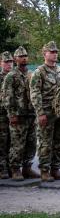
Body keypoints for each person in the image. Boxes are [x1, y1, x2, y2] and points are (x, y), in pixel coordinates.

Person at [30, 41, 60, 182]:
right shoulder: (39, 72)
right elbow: (35, 94)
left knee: (59, 141)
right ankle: (44, 171)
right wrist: (40, 113)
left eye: (56, 52)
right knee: (46, 143)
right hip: (46, 112)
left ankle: (55, 168)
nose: (55, 54)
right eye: (52, 52)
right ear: (44, 54)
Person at [3, 47, 38, 181]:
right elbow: (7, 97)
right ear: (16, 59)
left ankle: (27, 168)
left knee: (31, 143)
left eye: (25, 56)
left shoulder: (31, 74)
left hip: (30, 114)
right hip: (18, 115)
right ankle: (15, 169)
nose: (24, 58)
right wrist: (12, 114)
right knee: (17, 144)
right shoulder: (11, 76)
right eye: (21, 56)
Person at [0, 51, 13, 179]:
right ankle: (2, 168)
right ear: (1, 63)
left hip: (14, 114)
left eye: (11, 62)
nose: (9, 64)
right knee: (2, 141)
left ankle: (11, 167)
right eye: (6, 62)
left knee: (13, 142)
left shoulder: (15, 76)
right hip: (2, 115)